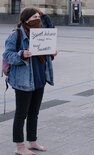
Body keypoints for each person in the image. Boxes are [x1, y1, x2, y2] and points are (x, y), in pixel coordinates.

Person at [2, 8, 58, 155]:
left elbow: (49, 28)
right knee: (21, 114)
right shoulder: (16, 34)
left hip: (40, 79)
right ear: (26, 20)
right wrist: (22, 54)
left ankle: (32, 141)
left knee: (34, 112)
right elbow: (7, 55)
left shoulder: (42, 33)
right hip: (23, 81)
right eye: (34, 17)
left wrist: (52, 53)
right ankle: (20, 146)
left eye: (38, 17)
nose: (37, 19)